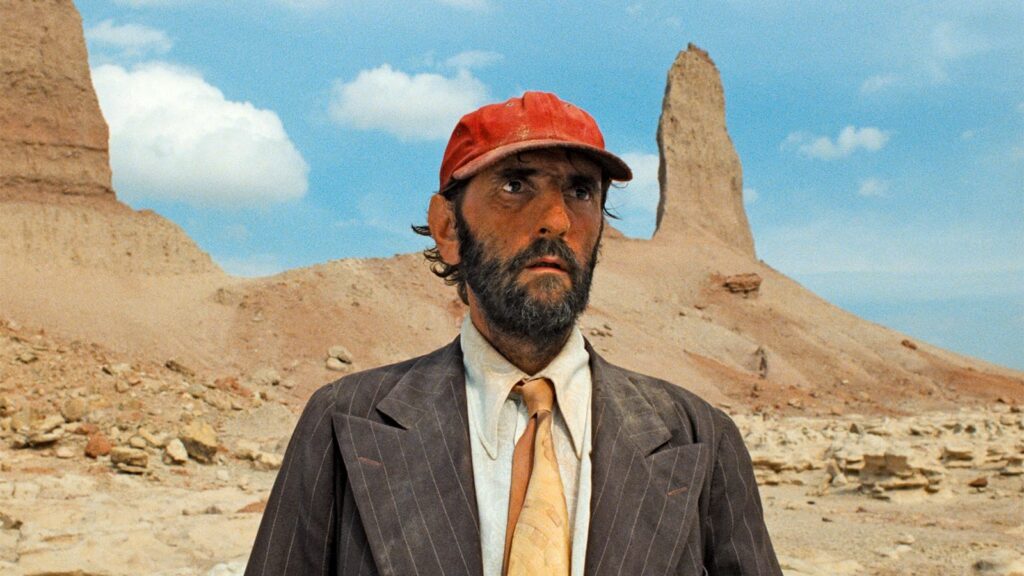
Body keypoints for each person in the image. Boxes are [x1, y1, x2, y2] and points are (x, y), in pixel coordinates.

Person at [244, 91, 781, 576]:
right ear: (448, 228)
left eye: (581, 191)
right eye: (515, 185)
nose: (556, 220)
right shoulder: (344, 420)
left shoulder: (699, 436)